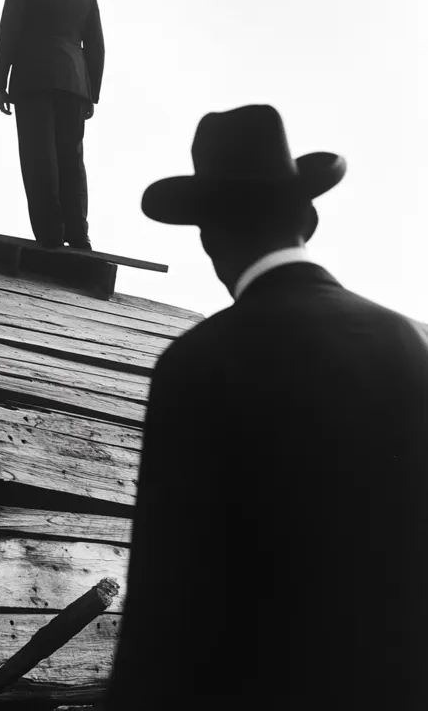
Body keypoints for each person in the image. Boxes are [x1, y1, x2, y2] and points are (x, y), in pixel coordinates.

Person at [105, 105, 428, 709]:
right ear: (308, 216)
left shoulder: (197, 364)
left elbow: (167, 607)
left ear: (207, 237)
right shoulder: (413, 343)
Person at [0, 0, 105, 250]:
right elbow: (95, 46)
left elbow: (8, 30)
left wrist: (0, 82)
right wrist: (91, 92)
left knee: (38, 156)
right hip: (74, 82)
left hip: (31, 79)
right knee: (72, 157)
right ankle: (79, 234)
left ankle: (51, 236)